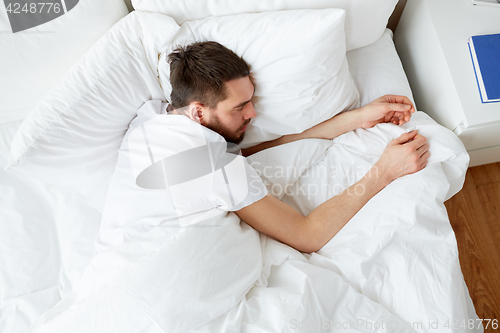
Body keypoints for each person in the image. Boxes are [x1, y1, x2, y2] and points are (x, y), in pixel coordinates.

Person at [167, 41, 429, 254]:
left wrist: (358, 118)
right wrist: (384, 171)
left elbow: (250, 154)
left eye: (250, 99)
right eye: (239, 107)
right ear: (198, 112)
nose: (253, 113)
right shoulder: (217, 169)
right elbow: (306, 235)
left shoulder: (156, 117)